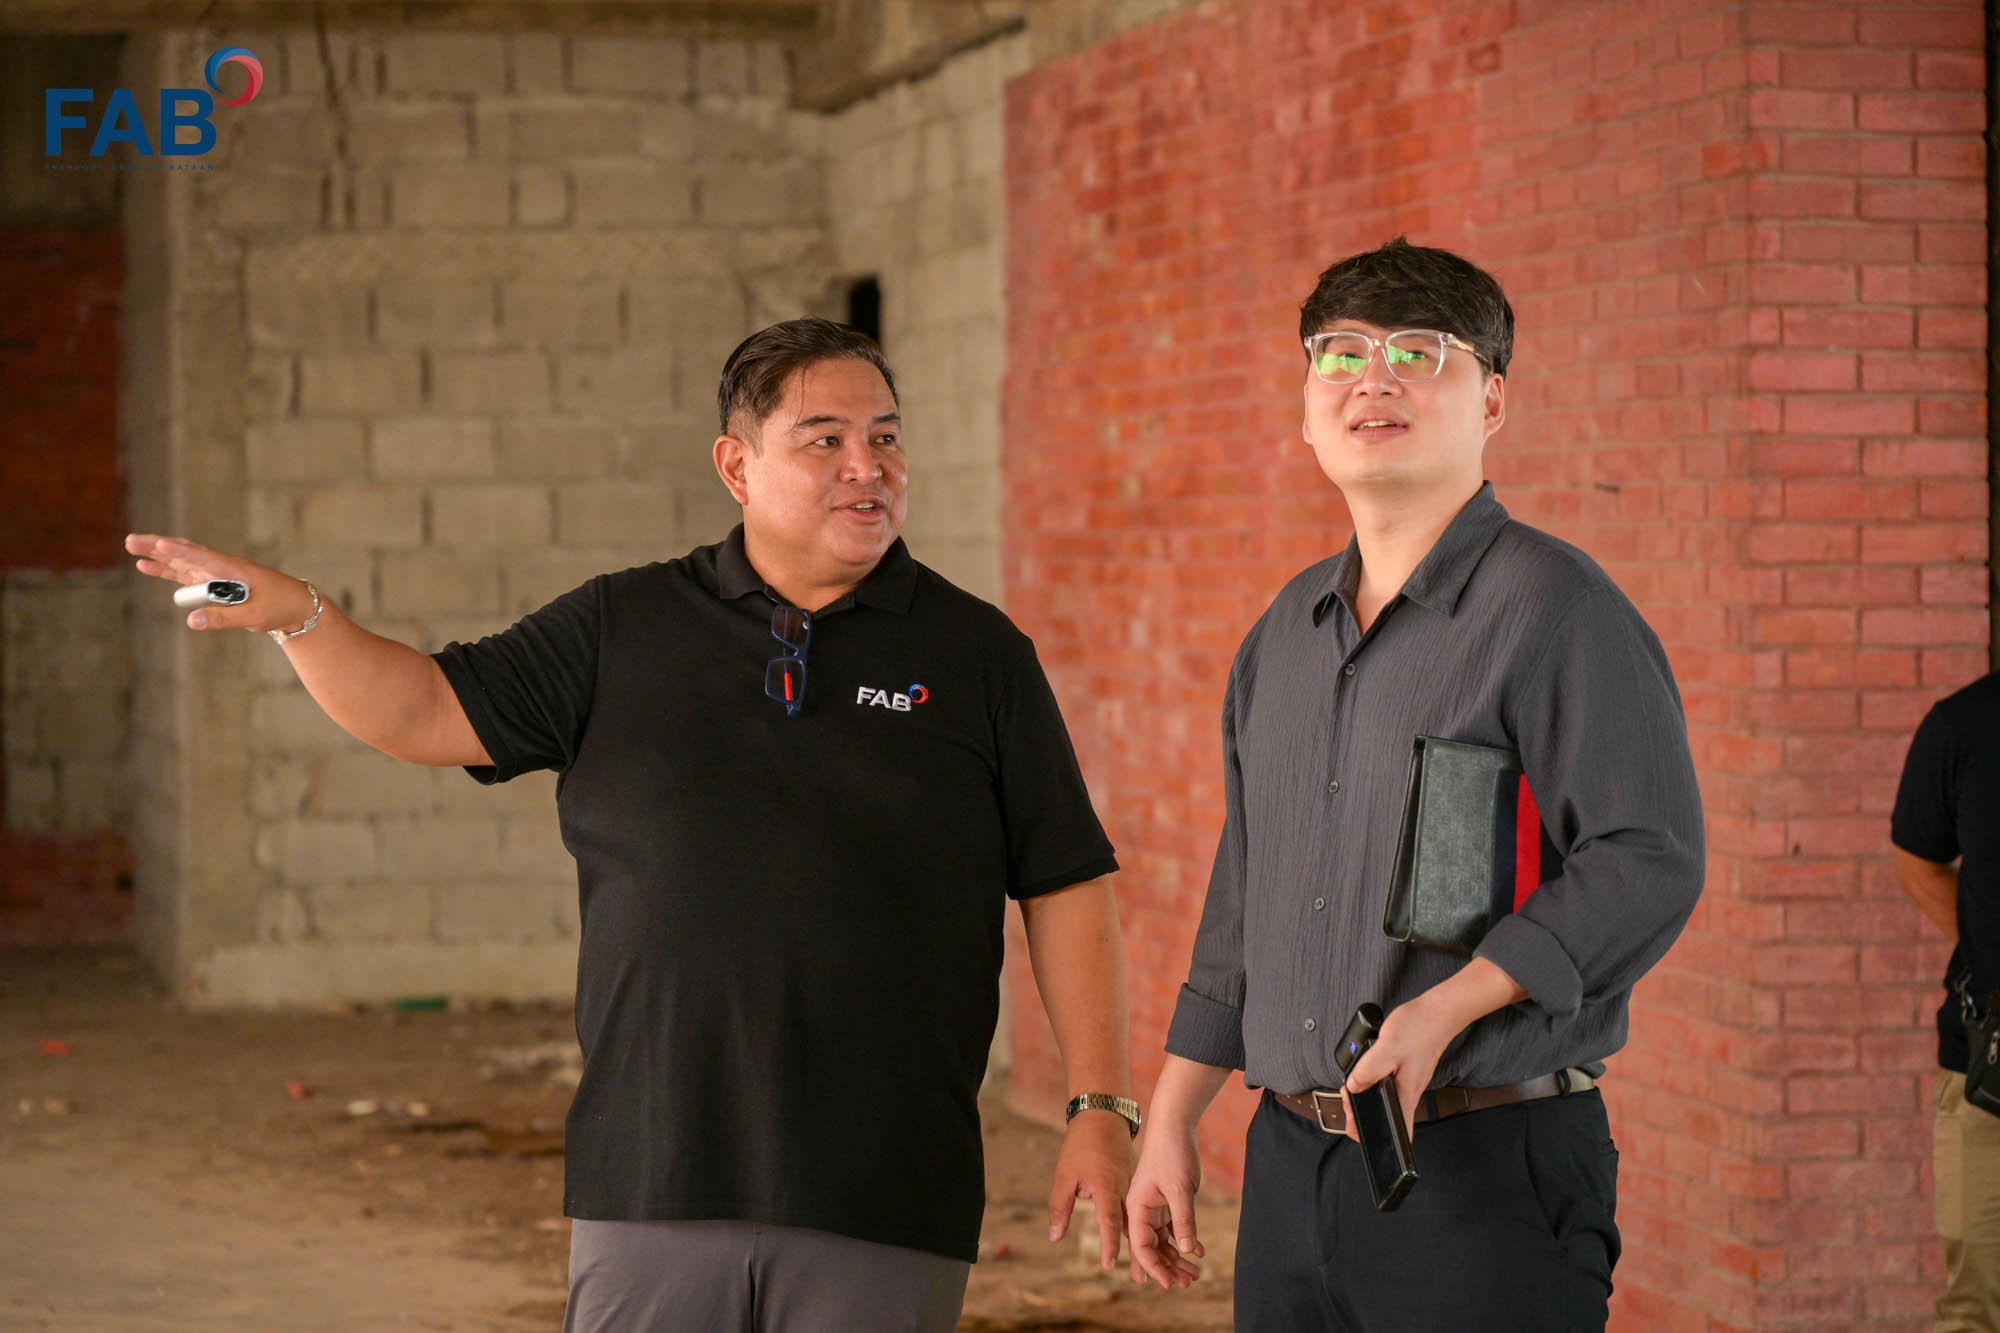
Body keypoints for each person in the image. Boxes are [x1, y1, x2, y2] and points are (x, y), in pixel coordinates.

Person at [128, 317, 1138, 1333]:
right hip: (652, 1172)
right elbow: (428, 710)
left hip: (883, 1186)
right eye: (823, 439)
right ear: (735, 467)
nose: (866, 465)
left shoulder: (976, 655)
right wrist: (301, 616)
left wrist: (1099, 1107)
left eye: (886, 435)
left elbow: (1062, 879)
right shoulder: (622, 627)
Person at [1123, 239, 1706, 1331]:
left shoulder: (1555, 610)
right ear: (1305, 409)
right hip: (1289, 1172)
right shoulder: (1281, 637)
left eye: (1415, 353)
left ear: (1490, 401)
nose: (1371, 378)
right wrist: (1170, 1116)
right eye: (1336, 355)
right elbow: (1241, 898)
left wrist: (1447, 1004)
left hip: (1481, 1171)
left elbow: (1646, 857)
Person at [1893, 670, 2000, 1332]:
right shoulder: (1964, 725)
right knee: (1975, 1308)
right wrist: (1987, 941)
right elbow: (1918, 859)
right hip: (1986, 1070)